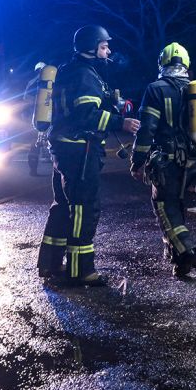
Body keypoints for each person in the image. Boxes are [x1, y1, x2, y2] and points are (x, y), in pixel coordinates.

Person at [37, 25, 140, 287]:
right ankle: (80, 270)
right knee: (84, 207)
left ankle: (50, 263)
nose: (108, 51)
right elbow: (85, 115)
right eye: (104, 47)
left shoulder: (70, 70)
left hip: (63, 147)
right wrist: (121, 122)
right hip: (79, 150)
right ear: (91, 48)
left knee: (63, 206)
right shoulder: (84, 75)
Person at [131, 42, 196, 278]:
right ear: (186, 63)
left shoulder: (155, 89)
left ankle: (185, 249)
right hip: (191, 160)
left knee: (163, 205)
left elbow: (147, 129)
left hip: (166, 161)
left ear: (162, 63)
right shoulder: (194, 89)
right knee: (177, 203)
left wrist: (137, 161)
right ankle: (176, 256)